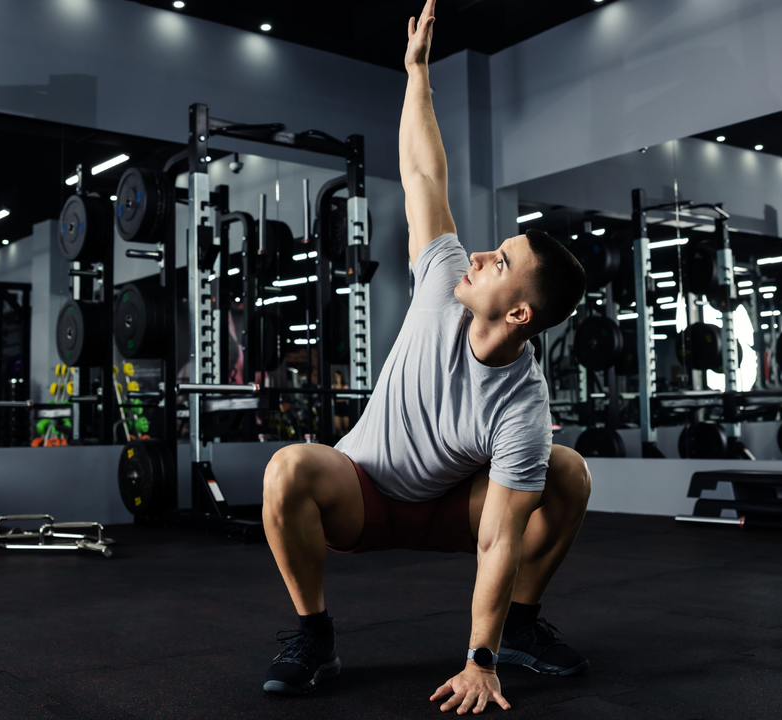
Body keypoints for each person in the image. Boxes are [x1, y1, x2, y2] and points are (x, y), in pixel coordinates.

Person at [260, 0, 591, 713]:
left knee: (568, 474)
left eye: (499, 262)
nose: (478, 255)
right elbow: (423, 177)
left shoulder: (522, 409)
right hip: (366, 493)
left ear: (520, 313)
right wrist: (416, 76)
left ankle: (522, 630)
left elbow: (500, 539)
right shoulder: (444, 280)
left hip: (453, 512)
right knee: (287, 466)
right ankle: (314, 634)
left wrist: (481, 661)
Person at [331, 370, 351, 437]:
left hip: (344, 406)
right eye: (336, 376)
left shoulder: (345, 386)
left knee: (347, 427)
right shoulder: (333, 387)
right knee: (338, 428)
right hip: (337, 406)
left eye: (338, 376)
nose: (337, 378)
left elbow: (347, 396)